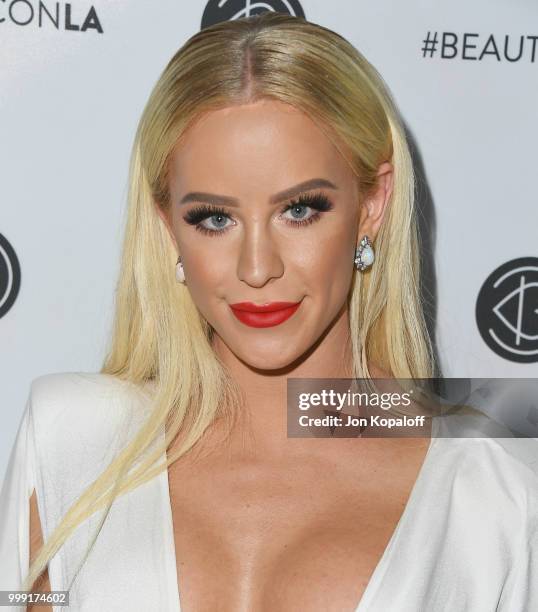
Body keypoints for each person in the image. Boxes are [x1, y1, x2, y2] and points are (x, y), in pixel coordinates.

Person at [1, 12, 537, 612]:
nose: (258, 267)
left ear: (373, 203)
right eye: (214, 218)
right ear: (167, 225)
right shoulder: (70, 442)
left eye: (301, 210)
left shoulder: (496, 495)